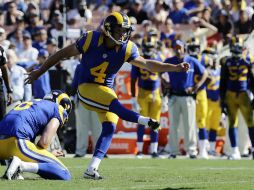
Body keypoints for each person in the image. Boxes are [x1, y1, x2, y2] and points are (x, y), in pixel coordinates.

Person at [25, 11, 189, 179]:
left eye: (125, 30)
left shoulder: (128, 48)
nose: (123, 34)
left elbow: (146, 64)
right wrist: (40, 71)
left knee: (110, 126)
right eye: (119, 30)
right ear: (109, 29)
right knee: (115, 105)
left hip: (105, 89)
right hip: (87, 87)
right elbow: (61, 54)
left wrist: (174, 68)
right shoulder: (91, 39)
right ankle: (145, 120)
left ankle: (91, 169)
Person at [0, 90, 72, 180]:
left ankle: (14, 168)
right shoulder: (58, 109)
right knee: (65, 173)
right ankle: (21, 166)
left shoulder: (32, 103)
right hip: (17, 142)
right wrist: (49, 154)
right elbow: (44, 142)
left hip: (2, 146)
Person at [163, 40, 207, 159]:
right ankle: (174, 150)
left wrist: (197, 86)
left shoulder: (192, 61)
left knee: (190, 125)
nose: (178, 50)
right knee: (173, 125)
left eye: (180, 47)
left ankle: (192, 150)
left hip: (188, 97)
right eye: (176, 47)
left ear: (184, 48)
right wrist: (165, 83)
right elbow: (159, 71)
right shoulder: (169, 61)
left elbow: (205, 73)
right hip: (174, 96)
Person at [220, 36, 254, 160]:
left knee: (250, 123)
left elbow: (252, 80)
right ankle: (235, 150)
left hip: (244, 94)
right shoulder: (226, 62)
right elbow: (222, 82)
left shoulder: (247, 61)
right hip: (230, 95)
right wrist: (222, 101)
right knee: (232, 123)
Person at [131, 35, 164, 158]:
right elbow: (133, 79)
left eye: (151, 46)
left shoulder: (159, 57)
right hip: (142, 93)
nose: (149, 48)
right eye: (147, 46)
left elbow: (164, 77)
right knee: (141, 122)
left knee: (156, 122)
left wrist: (164, 96)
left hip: (156, 94)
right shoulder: (138, 59)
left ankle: (154, 151)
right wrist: (133, 97)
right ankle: (139, 150)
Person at [186, 37, 210, 159]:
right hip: (188, 93)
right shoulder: (186, 60)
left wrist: (198, 85)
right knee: (188, 123)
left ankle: (203, 150)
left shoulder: (205, 59)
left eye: (196, 48)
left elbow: (209, 76)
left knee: (201, 121)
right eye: (192, 48)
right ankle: (191, 149)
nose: (194, 50)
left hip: (200, 92)